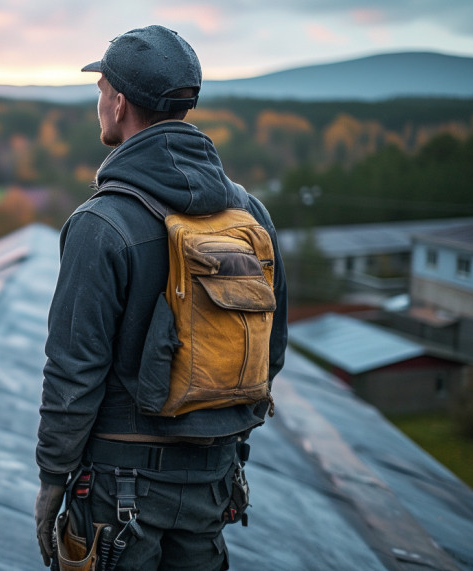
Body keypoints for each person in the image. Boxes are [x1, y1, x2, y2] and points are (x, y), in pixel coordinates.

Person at [34, 25, 287, 570]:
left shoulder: (100, 223)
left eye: (100, 88)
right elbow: (271, 351)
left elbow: (73, 372)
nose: (99, 100)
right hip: (213, 483)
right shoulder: (250, 216)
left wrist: (53, 480)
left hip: (118, 489)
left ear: (119, 102)